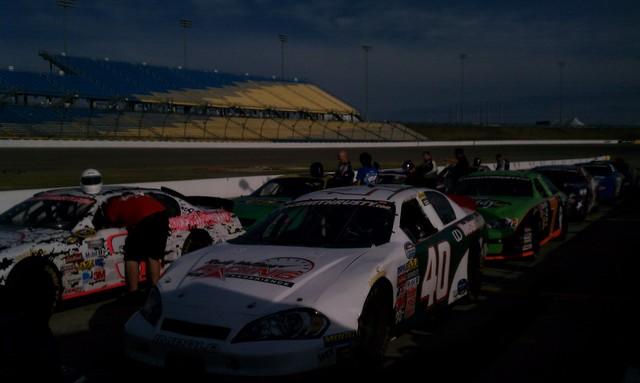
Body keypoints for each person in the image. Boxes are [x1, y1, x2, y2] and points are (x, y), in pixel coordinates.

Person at [104, 193, 169, 293]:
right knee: (153, 256)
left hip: (144, 218)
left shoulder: (111, 206)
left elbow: (111, 221)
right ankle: (154, 290)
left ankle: (133, 292)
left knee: (131, 257)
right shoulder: (129, 196)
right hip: (162, 214)